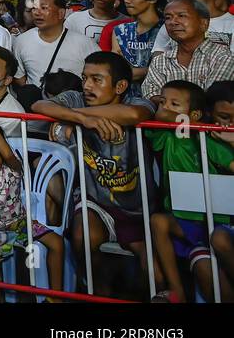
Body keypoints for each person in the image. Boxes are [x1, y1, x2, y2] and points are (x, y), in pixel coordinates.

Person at [34, 52, 155, 295]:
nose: (87, 86)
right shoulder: (77, 100)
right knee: (82, 235)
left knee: (151, 272)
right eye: (84, 78)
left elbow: (133, 116)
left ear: (120, 86)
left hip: (136, 206)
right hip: (95, 201)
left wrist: (72, 120)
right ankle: (96, 290)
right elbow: (39, 105)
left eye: (97, 79)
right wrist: (80, 118)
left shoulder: (136, 100)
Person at [146, 81, 234, 302]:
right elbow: (158, 123)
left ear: (195, 114)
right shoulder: (166, 136)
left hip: (215, 221)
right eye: (163, 102)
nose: (165, 108)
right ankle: (178, 293)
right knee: (158, 221)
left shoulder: (209, 138)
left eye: (174, 104)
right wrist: (163, 109)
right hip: (184, 220)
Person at [0, 112, 65, 302]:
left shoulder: (13, 166)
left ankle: (55, 298)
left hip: (18, 222)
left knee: (57, 244)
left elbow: (6, 154)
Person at [141, 0, 234, 102]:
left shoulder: (223, 57)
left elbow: (212, 99)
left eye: (181, 16)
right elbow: (150, 93)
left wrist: (167, 103)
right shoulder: (160, 61)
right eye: (167, 17)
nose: (173, 22)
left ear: (204, 23)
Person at [12, 0, 98, 91]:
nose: (37, 13)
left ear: (61, 13)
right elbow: (19, 76)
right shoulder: (21, 41)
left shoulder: (85, 44)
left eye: (44, 8)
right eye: (34, 8)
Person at [111, 0, 167, 89]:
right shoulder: (120, 31)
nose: (127, 0)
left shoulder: (167, 29)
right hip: (124, 95)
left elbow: (166, 68)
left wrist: (128, 72)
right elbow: (113, 68)